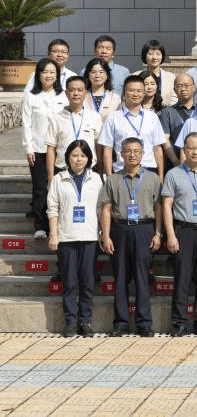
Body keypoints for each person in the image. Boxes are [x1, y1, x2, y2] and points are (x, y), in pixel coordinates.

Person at [98, 137, 163, 336]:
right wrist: (106, 236)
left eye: (136, 151)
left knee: (143, 277)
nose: (132, 155)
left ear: (142, 154)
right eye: (128, 151)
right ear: (121, 154)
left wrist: (158, 233)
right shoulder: (113, 179)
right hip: (120, 229)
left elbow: (158, 208)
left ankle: (144, 323)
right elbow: (106, 209)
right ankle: (121, 323)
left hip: (144, 230)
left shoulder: (152, 179)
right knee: (120, 277)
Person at [161, 132, 197, 337]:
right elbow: (166, 206)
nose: (194, 152)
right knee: (182, 278)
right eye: (190, 148)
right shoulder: (173, 174)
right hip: (183, 231)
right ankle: (179, 322)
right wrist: (170, 235)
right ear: (183, 150)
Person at [46, 140, 103, 337]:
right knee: (69, 282)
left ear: (89, 158)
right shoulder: (58, 179)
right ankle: (70, 321)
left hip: (89, 237)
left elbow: (100, 208)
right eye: (74, 155)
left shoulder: (96, 179)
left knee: (87, 282)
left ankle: (85, 321)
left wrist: (103, 234)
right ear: (67, 157)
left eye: (83, 156)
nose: (79, 159)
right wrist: (54, 234)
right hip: (66, 237)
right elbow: (53, 208)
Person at [23, 58, 69, 238]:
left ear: (57, 75)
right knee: (41, 187)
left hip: (61, 149)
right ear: (38, 74)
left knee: (61, 187)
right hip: (38, 149)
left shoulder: (63, 95)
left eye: (52, 72)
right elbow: (26, 124)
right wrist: (28, 148)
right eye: (45, 72)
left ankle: (60, 224)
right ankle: (41, 225)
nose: (48, 75)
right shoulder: (30, 96)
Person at [98, 74, 165, 179]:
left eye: (139, 91)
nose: (135, 94)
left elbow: (157, 148)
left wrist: (160, 178)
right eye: (131, 90)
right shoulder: (113, 118)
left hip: (148, 170)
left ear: (144, 94)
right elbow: (107, 148)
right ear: (124, 93)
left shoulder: (152, 117)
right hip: (122, 171)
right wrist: (110, 177)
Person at [45, 76, 101, 184]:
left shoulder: (94, 117)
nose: (76, 93)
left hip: (89, 172)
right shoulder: (56, 118)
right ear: (66, 93)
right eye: (72, 90)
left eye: (80, 90)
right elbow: (51, 149)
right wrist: (51, 177)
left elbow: (98, 147)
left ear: (85, 93)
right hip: (63, 171)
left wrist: (100, 170)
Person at [135, 39, 177, 106]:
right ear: (145, 56)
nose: (154, 57)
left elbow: (174, 101)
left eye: (158, 54)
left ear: (162, 56)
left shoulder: (171, 77)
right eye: (150, 54)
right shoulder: (136, 76)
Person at [84, 57, 121, 124]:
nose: (97, 75)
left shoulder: (115, 98)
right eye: (93, 72)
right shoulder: (82, 97)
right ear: (88, 75)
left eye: (101, 72)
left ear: (107, 75)